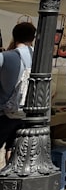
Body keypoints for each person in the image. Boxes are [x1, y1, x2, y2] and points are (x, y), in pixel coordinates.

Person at [0, 22, 36, 164]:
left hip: (5, 112)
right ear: (33, 38)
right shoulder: (40, 58)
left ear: (14, 36)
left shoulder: (6, 56)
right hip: (27, 113)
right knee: (13, 149)